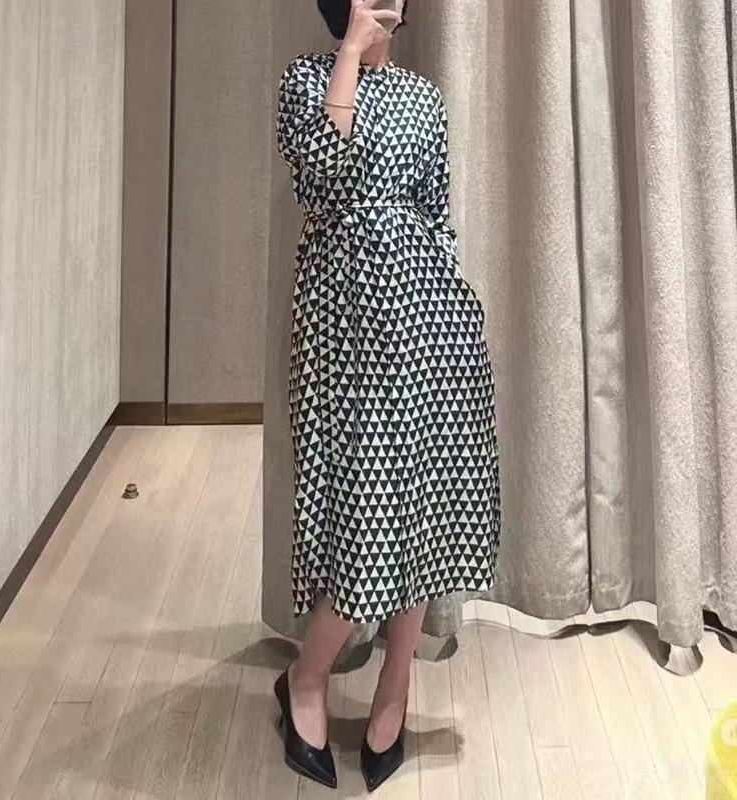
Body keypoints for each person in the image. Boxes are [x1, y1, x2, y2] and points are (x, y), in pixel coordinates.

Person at [273, 0, 501, 790]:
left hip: (430, 320)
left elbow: (436, 213)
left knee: (424, 509)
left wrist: (455, 307)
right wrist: (350, 56)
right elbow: (321, 178)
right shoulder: (306, 81)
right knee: (364, 507)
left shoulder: (424, 97)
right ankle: (306, 678)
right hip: (345, 324)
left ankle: (396, 686)